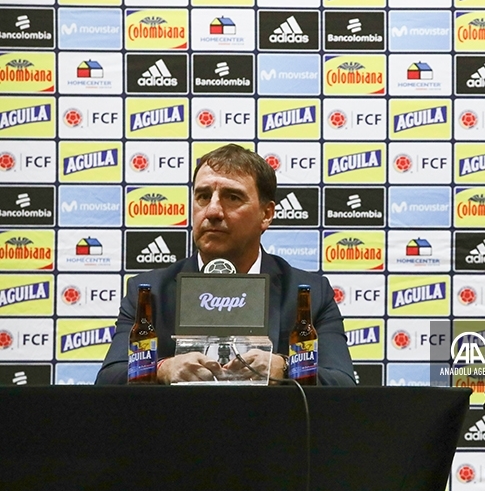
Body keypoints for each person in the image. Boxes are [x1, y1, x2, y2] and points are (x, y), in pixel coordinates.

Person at [97, 144, 355, 386]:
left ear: (266, 215)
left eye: (232, 197)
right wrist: (163, 369)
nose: (212, 211)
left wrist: (287, 368)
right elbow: (109, 379)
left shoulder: (308, 293)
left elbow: (342, 382)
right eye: (203, 196)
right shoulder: (149, 291)